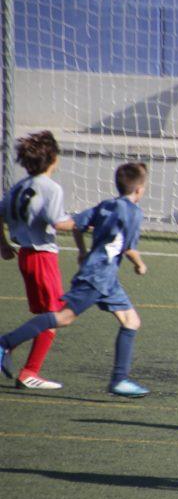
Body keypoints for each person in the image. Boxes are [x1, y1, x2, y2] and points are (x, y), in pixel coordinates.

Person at [0, 162, 152, 397]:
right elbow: (127, 247)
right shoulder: (133, 213)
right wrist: (140, 264)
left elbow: (76, 226)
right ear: (139, 190)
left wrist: (82, 252)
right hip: (98, 276)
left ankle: (120, 380)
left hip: (106, 278)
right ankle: (5, 343)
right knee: (63, 318)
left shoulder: (106, 205)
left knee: (131, 320)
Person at [0, 131, 75, 390]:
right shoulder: (51, 188)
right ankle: (19, 361)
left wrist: (2, 243)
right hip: (42, 256)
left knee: (47, 315)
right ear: (53, 158)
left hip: (26, 257)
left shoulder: (18, 187)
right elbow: (58, 222)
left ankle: (27, 370)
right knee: (55, 316)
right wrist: (85, 221)